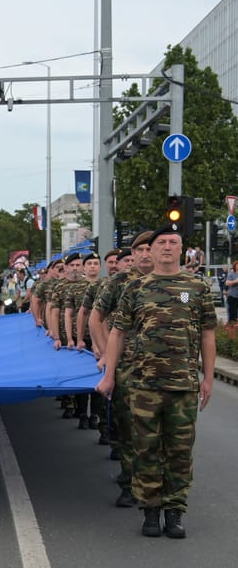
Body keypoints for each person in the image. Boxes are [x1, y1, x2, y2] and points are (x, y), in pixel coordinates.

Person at [95, 227, 216, 538]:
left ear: (182, 250)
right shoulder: (136, 287)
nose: (165, 247)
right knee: (145, 449)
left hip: (184, 386)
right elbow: (117, 333)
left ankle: (174, 512)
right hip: (143, 384)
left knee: (179, 451)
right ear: (150, 249)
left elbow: (207, 334)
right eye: (160, 243)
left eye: (172, 243)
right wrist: (109, 376)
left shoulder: (198, 287)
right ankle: (150, 511)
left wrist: (209, 378)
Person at [224, 259, 238, 324]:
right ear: (235, 266)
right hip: (232, 295)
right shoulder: (231, 274)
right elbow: (227, 283)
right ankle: (232, 325)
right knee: (232, 312)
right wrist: (236, 281)